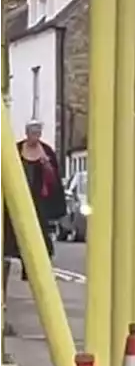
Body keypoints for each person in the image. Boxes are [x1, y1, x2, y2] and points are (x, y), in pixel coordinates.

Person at [3, 121, 67, 324]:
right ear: (26, 133)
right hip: (13, 209)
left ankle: (44, 301)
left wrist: (47, 168)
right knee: (6, 252)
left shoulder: (46, 152)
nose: (35, 136)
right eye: (32, 132)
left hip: (38, 209)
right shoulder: (16, 150)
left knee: (40, 252)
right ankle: (3, 299)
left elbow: (54, 181)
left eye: (38, 132)